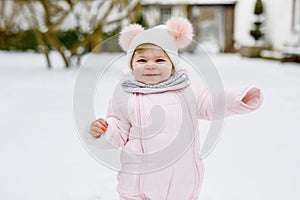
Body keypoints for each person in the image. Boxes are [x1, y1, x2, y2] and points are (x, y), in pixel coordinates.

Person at [89, 17, 263, 200]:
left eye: (159, 59)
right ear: (132, 65)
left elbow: (211, 101)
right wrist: (104, 131)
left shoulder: (187, 90)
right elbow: (119, 128)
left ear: (172, 64)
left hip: (183, 183)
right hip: (138, 185)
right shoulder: (126, 94)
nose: (150, 65)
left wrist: (239, 98)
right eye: (141, 60)